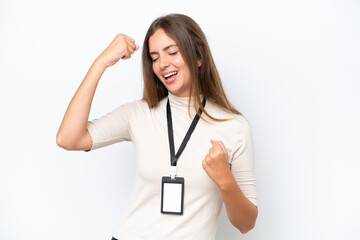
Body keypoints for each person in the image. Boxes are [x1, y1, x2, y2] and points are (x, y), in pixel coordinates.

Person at [56, 13, 258, 240]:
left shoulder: (234, 126)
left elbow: (246, 224)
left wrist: (225, 180)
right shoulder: (139, 114)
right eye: (154, 58)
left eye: (172, 52)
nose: (163, 64)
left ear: (199, 57)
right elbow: (68, 139)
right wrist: (100, 63)